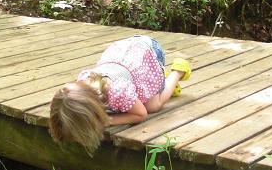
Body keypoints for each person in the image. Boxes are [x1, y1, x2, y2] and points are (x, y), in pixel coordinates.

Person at [48, 35, 192, 153]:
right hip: (124, 54)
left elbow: (140, 114)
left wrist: (106, 121)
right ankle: (159, 82)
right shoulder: (82, 86)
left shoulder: (118, 92)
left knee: (152, 106)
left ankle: (176, 73)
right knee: (137, 101)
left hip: (149, 53)